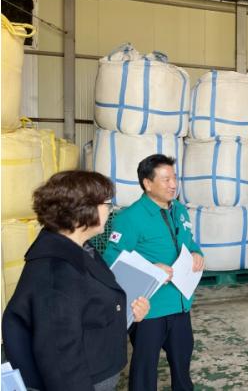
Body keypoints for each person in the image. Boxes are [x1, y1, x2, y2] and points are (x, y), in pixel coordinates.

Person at [2, 170, 150, 391]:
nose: (110, 210)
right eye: (106, 204)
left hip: (98, 368)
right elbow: (60, 360)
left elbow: (88, 307)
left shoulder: (80, 248)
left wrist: (126, 312)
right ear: (83, 210)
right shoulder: (56, 273)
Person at [103, 154, 204, 391]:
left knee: (182, 362)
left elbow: (189, 241)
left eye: (174, 178)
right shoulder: (130, 218)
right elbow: (112, 260)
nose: (173, 184)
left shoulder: (180, 210)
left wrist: (197, 252)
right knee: (144, 368)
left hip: (180, 303)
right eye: (166, 179)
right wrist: (150, 270)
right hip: (149, 308)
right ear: (148, 184)